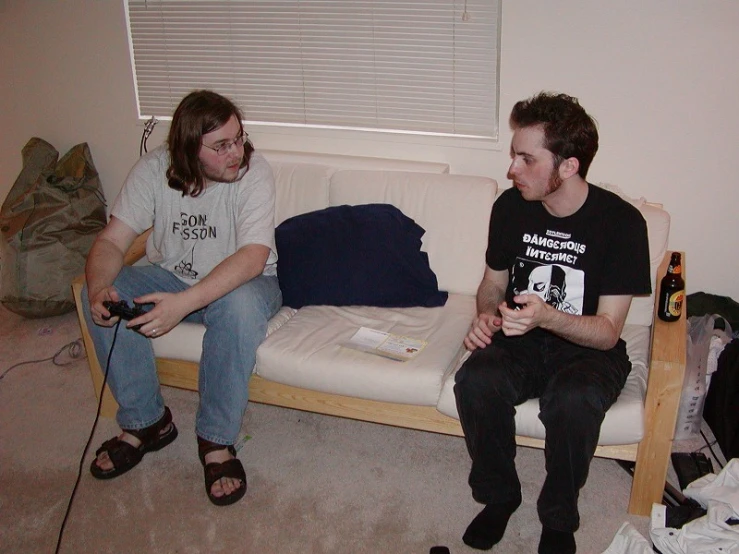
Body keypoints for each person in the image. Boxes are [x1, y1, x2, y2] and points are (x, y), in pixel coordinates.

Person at [453, 92, 651, 553]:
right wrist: (486, 314)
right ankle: (499, 497)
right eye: (513, 156)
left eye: (526, 159)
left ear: (568, 166)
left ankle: (558, 518)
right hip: (521, 336)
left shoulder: (621, 224)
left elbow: (607, 331)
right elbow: (492, 282)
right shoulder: (511, 207)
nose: (512, 170)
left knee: (574, 399)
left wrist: (547, 315)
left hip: (586, 347)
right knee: (475, 381)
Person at [81, 90, 282, 506]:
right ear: (189, 149)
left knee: (238, 305)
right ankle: (146, 422)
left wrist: (185, 304)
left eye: (239, 138)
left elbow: (252, 258)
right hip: (169, 277)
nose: (237, 152)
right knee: (98, 290)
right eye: (222, 145)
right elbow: (112, 241)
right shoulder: (155, 169)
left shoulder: (254, 172)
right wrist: (101, 288)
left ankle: (216, 441)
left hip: (247, 284)